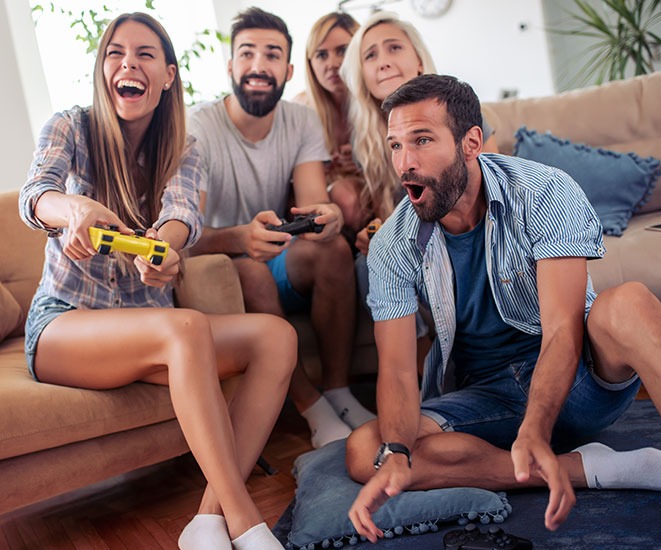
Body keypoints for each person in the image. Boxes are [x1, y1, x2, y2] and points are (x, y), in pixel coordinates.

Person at [345, 74, 661, 540]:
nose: (405, 163)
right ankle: (592, 469)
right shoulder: (392, 243)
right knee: (365, 450)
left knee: (628, 303)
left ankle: (545, 450)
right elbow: (394, 370)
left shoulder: (543, 191)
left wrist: (536, 426)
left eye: (422, 140)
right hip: (488, 401)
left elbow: (562, 330)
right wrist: (396, 452)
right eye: (395, 146)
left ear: (471, 142)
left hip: (577, 381)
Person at [19, 13, 294, 550]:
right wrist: (70, 207)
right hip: (65, 326)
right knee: (184, 328)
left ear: (168, 75)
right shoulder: (70, 126)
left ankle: (207, 521)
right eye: (115, 53)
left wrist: (163, 248)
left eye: (145, 54)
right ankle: (246, 522)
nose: (128, 63)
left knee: (277, 338)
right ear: (103, 70)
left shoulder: (185, 148)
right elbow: (35, 194)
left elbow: (182, 214)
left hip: (149, 327)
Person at [188, 7, 371, 449]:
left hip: (276, 253)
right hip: (218, 263)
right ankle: (312, 408)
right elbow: (188, 236)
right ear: (230, 65)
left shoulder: (301, 120)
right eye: (247, 53)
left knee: (335, 251)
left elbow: (313, 205)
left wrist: (327, 219)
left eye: (272, 55)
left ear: (288, 70)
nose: (258, 65)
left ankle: (338, 391)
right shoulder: (198, 126)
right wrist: (239, 238)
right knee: (248, 269)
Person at [340, 11, 498, 249]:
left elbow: (497, 191)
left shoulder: (461, 114)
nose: (383, 62)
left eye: (394, 47)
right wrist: (379, 233)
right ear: (362, 75)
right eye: (370, 55)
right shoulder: (363, 142)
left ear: (419, 61)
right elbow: (388, 215)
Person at [292, 12, 366, 233]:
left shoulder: (379, 102)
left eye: (342, 51)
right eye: (321, 55)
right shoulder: (300, 108)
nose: (332, 64)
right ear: (310, 62)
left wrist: (363, 163)